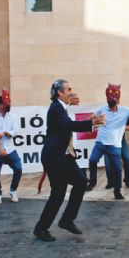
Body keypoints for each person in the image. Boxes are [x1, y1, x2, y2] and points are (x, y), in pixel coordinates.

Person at [33, 79, 106, 242]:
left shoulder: (61, 107)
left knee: (81, 182)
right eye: (68, 90)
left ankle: (67, 220)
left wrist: (91, 123)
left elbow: (67, 125)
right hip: (54, 158)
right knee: (58, 194)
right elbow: (68, 125)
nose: (71, 92)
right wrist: (91, 122)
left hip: (64, 156)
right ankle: (41, 228)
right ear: (59, 93)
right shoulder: (56, 108)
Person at [85, 84, 129, 200]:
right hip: (100, 143)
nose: (110, 103)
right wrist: (87, 125)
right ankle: (92, 182)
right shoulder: (102, 109)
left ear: (117, 100)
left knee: (118, 169)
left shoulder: (124, 111)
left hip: (115, 145)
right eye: (109, 101)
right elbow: (91, 116)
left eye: (112, 101)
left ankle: (117, 191)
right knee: (92, 160)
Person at [0, 89, 22, 204]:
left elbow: (16, 130)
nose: (9, 105)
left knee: (18, 169)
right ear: (0, 105)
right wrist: (0, 149)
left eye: (9, 103)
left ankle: (13, 190)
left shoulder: (12, 117)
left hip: (10, 149)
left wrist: (7, 133)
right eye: (7, 103)